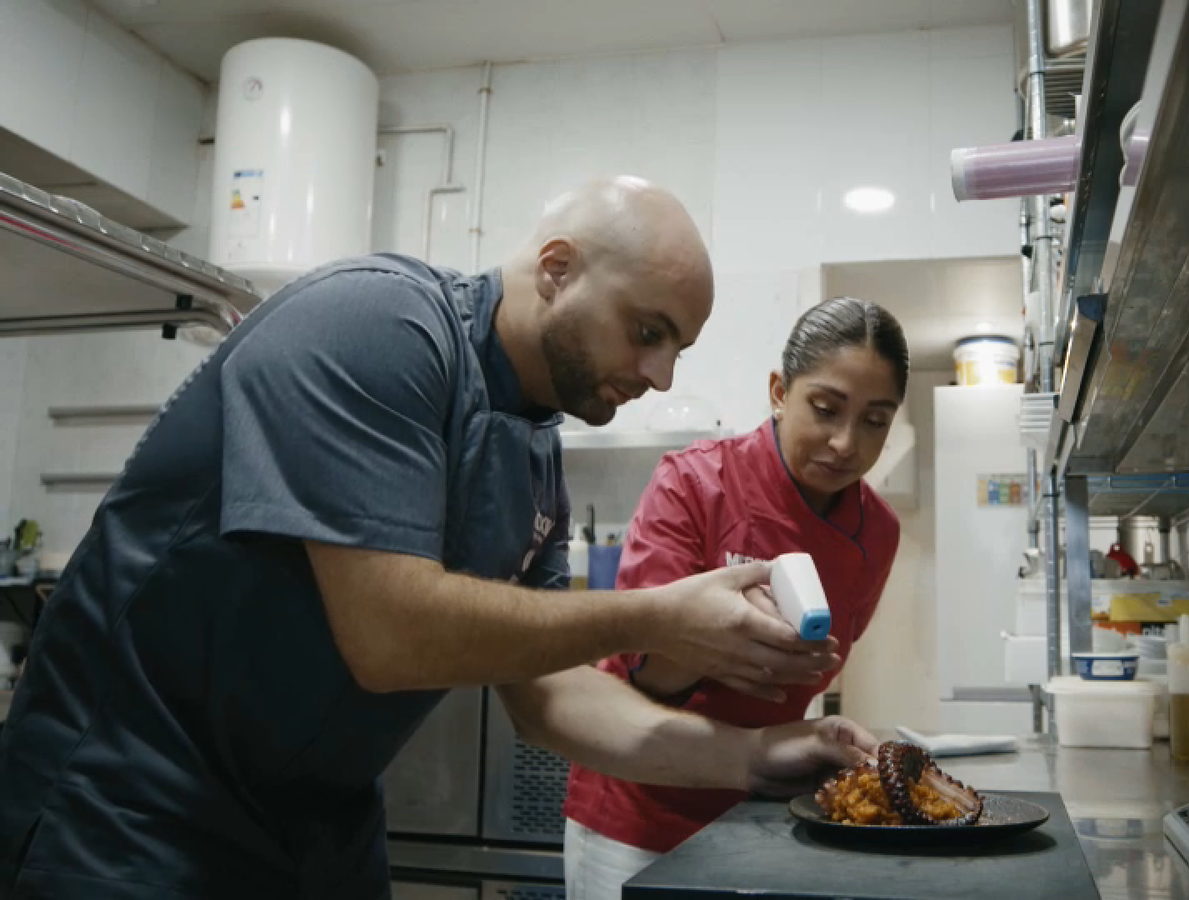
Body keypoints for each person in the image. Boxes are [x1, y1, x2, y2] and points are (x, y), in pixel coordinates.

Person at [0, 177, 877, 899]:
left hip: (318, 832)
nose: (659, 374)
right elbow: (390, 634)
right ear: (558, 270)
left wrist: (756, 758)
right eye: (647, 331)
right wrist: (654, 618)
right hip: (131, 811)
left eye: (677, 347)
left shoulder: (533, 454)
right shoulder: (375, 325)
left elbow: (551, 699)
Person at [563, 296, 909, 899]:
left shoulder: (877, 532)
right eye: (825, 409)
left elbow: (815, 673)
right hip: (640, 804)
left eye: (875, 421)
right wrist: (716, 638)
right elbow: (646, 677)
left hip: (763, 806)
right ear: (779, 391)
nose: (845, 443)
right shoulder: (695, 484)